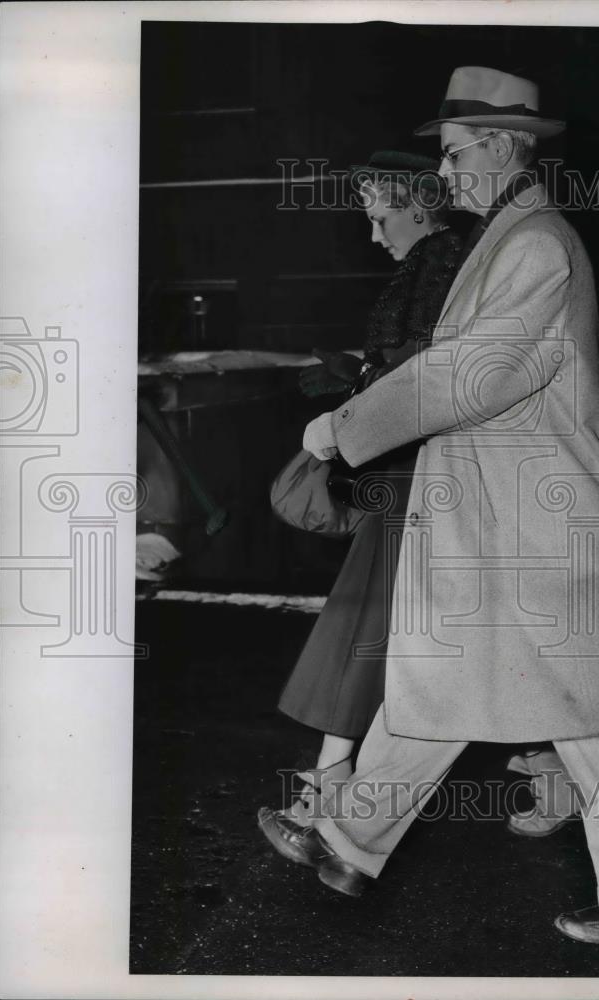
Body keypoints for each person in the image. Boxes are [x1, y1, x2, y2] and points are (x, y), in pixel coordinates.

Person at [291, 67, 599, 945]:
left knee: (592, 700)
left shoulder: (535, 245)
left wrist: (344, 426)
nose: (444, 173)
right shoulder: (502, 236)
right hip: (489, 509)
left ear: (499, 146)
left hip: (536, 513)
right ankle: (351, 842)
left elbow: (475, 374)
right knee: (439, 678)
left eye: (451, 153)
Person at [257, 151, 464, 859]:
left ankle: (333, 787)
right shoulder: (436, 259)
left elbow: (423, 367)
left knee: (370, 623)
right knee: (378, 626)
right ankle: (333, 784)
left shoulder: (440, 256)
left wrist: (350, 415)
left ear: (418, 205)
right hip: (416, 469)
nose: (374, 236)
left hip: (419, 472)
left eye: (380, 218)